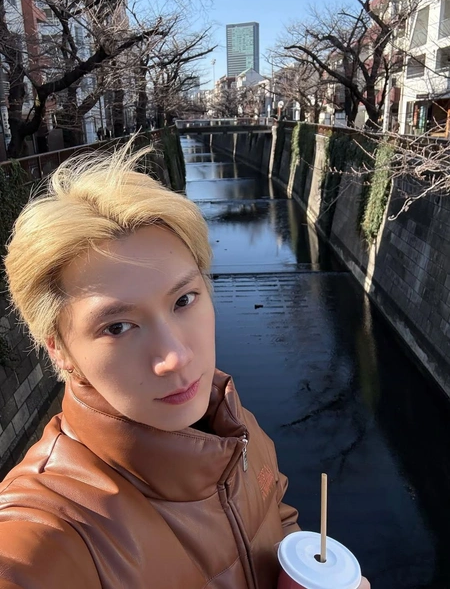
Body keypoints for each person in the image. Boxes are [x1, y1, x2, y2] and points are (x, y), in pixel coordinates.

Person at [0, 140, 370, 589]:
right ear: (58, 348)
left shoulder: (236, 426)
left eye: (184, 300)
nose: (175, 356)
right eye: (117, 327)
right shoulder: (53, 531)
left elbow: (276, 516)